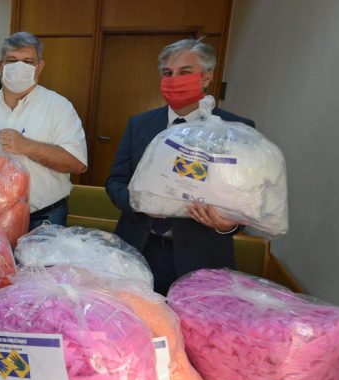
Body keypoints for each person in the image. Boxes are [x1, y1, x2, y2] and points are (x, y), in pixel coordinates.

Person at [105, 38, 255, 295]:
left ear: (206, 77)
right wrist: (139, 203)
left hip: (202, 255)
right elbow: (115, 181)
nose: (174, 79)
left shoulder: (236, 130)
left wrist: (226, 224)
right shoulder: (139, 125)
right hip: (137, 248)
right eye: (167, 73)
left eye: (185, 72)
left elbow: (247, 200)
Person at [0, 31, 87, 230]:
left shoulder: (59, 107)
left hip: (43, 217)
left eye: (28, 61)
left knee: (39, 263)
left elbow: (77, 163)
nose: (19, 67)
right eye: (12, 60)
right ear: (0, 66)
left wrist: (27, 146)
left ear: (39, 67)